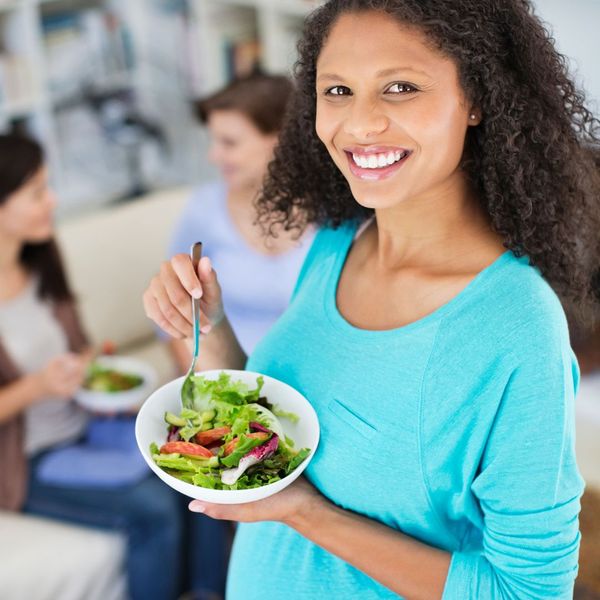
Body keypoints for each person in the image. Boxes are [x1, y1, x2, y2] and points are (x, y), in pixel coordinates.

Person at [143, 1, 600, 598]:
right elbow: (279, 430)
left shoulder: (514, 323)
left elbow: (527, 590)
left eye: (401, 88)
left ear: (478, 99)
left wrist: (305, 512)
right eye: (337, 90)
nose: (357, 125)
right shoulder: (339, 239)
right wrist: (211, 328)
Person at [0, 134, 182, 600]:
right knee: (155, 508)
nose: (53, 201)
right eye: (38, 192)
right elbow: (37, 387)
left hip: (85, 428)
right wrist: (37, 387)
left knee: (184, 466)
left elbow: (80, 352)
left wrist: (92, 368)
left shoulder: (39, 261)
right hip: (24, 461)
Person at [164, 73, 314, 374]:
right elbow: (172, 315)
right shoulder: (203, 208)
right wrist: (202, 389)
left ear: (281, 139)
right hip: (220, 381)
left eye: (229, 143)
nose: (213, 155)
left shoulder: (331, 214)